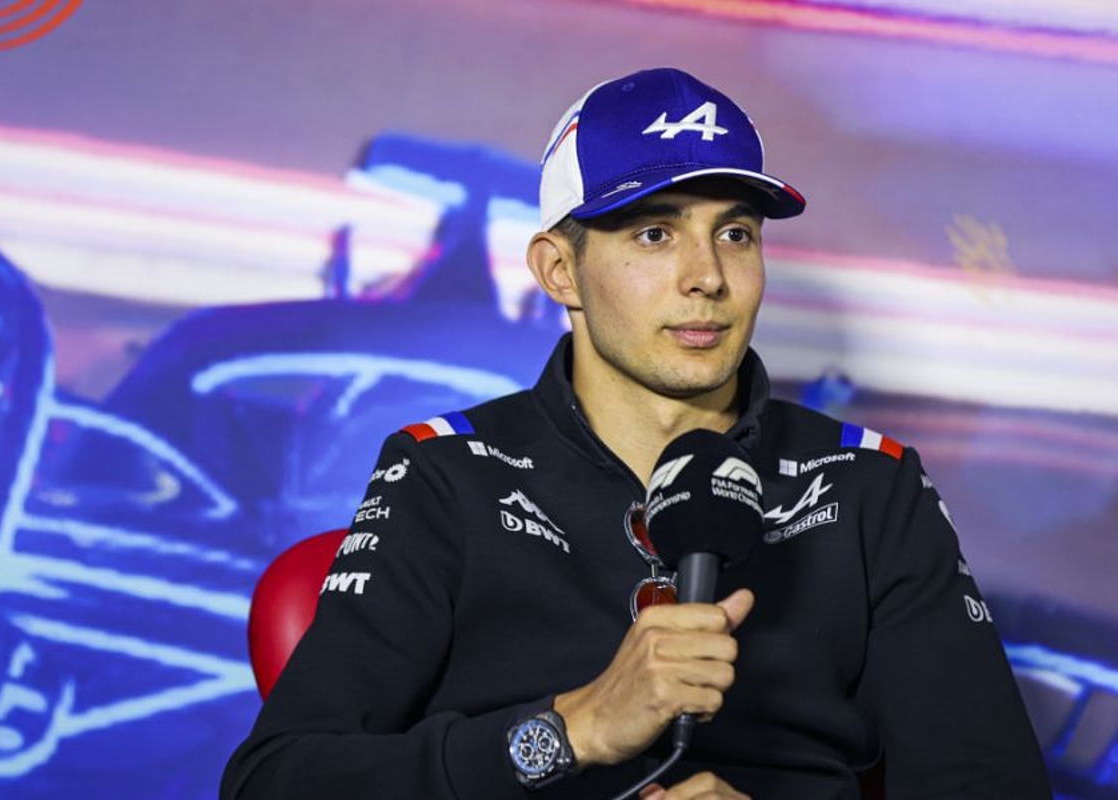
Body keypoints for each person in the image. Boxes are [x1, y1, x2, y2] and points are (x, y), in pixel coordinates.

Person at [221, 67, 1051, 799]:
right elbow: (277, 782)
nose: (708, 278)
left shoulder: (869, 483)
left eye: (735, 233)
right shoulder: (447, 474)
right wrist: (572, 730)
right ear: (559, 270)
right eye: (655, 233)